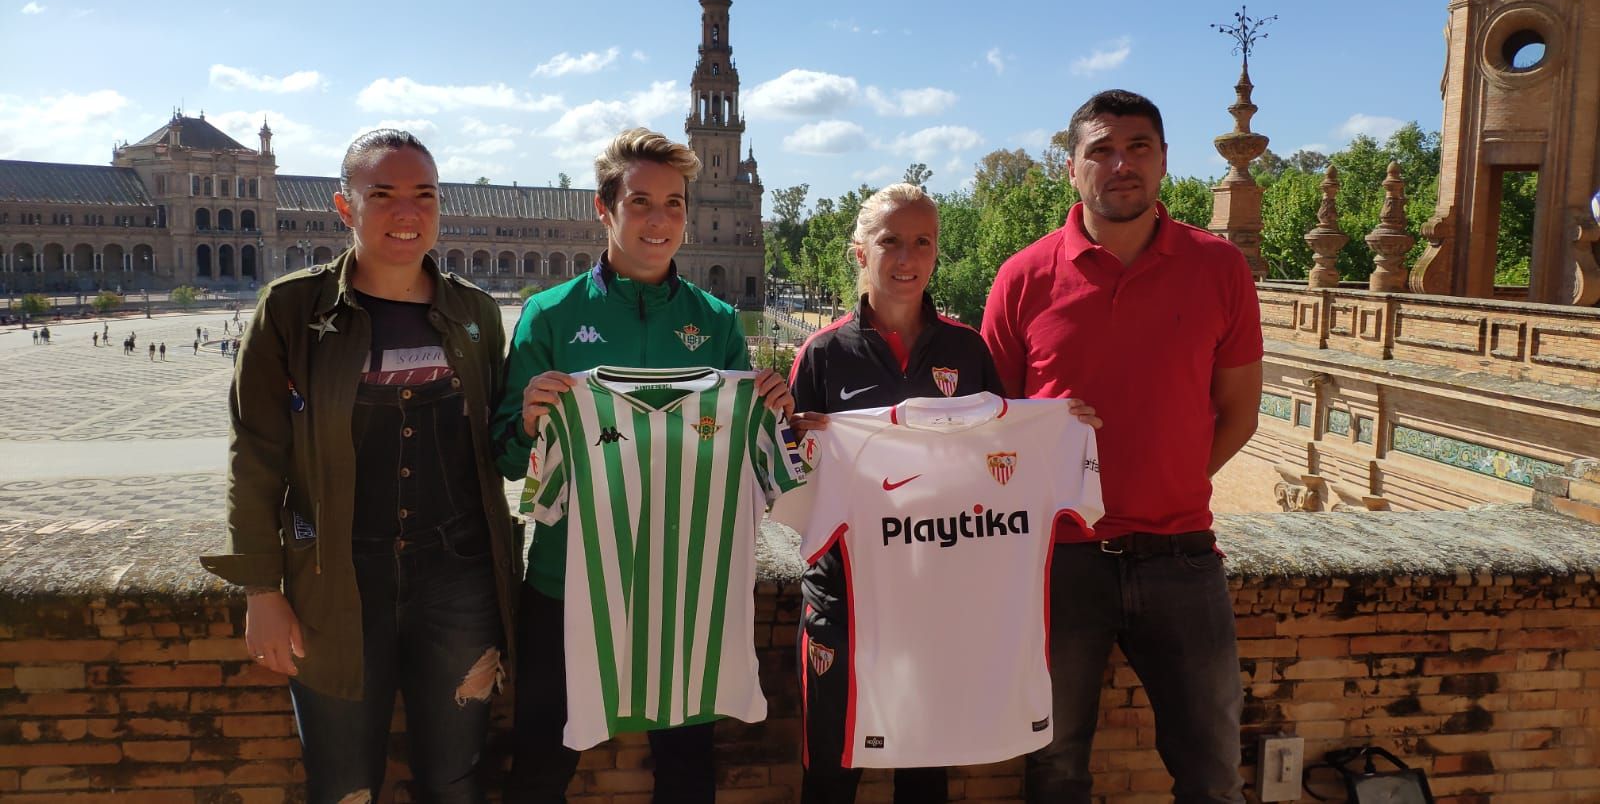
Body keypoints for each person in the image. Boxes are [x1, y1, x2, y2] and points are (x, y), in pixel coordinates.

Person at [201, 129, 520, 804]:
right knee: (343, 784)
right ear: (344, 208)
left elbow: (498, 445)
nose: (407, 213)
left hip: (459, 578)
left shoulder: (475, 313)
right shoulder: (291, 309)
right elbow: (254, 455)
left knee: (457, 780)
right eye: (384, 195)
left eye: (423, 195)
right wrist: (261, 588)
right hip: (334, 582)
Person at [493, 127, 794, 804]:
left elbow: (746, 455)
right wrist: (531, 419)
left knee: (687, 772)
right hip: (566, 579)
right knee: (542, 763)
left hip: (682, 583)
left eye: (674, 205)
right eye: (640, 203)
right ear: (604, 209)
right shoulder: (550, 316)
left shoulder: (715, 321)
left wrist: (772, 408)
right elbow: (508, 458)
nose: (659, 221)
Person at [981, 89, 1263, 804]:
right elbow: (994, 429)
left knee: (1212, 771)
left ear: (1164, 161)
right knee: (1054, 768)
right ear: (1071, 168)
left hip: (1182, 558)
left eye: (1138, 147)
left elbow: (1238, 414)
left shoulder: (1218, 268)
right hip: (1060, 561)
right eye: (1101, 150)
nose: (1121, 164)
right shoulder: (1023, 278)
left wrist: (1165, 481)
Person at [786, 184, 1099, 804]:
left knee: (926, 771)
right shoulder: (822, 354)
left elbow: (994, 450)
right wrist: (794, 442)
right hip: (845, 601)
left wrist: (1059, 425)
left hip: (937, 600)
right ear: (859, 253)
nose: (907, 257)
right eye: (891, 241)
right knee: (829, 771)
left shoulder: (965, 348)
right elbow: (790, 481)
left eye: (922, 242)